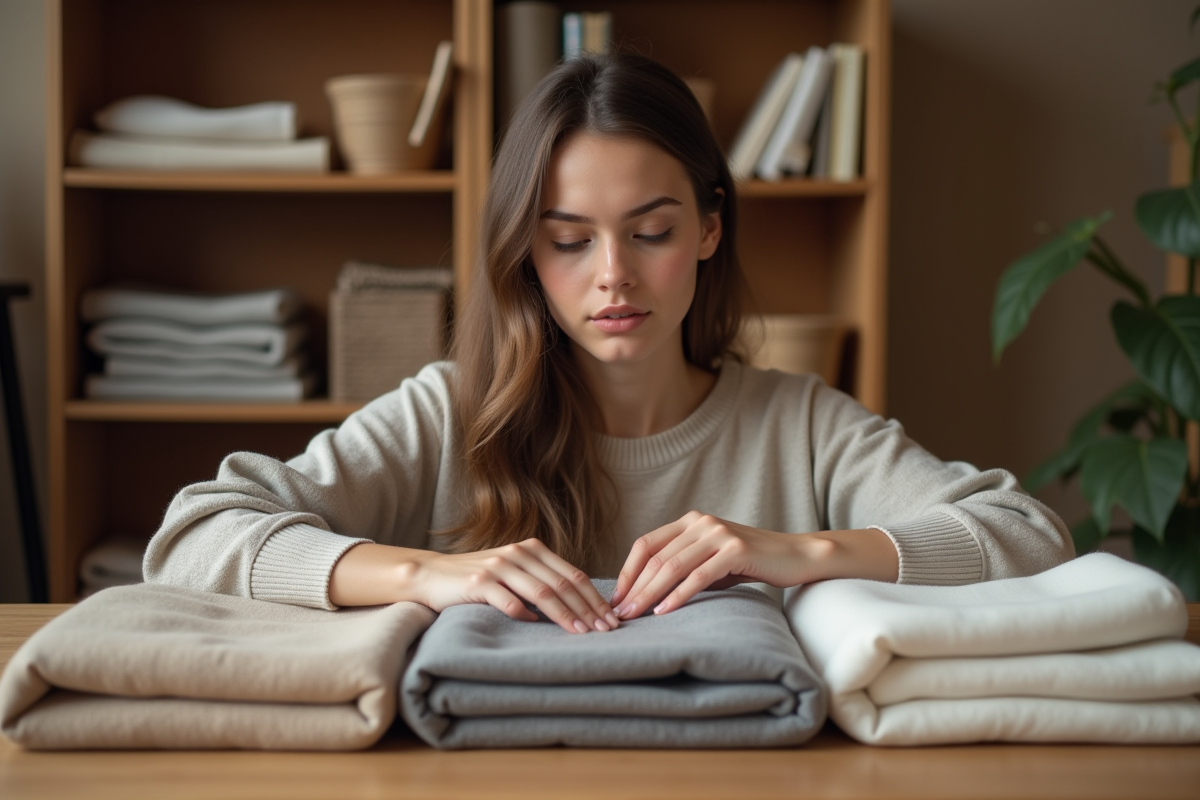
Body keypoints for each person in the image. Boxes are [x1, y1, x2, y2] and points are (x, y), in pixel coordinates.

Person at [144, 53, 1073, 635]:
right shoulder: (447, 411)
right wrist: (427, 575)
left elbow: (1031, 536)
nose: (613, 276)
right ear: (526, 251)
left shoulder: (803, 423)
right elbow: (192, 535)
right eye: (569, 239)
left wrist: (801, 552)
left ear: (711, 228)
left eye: (652, 231)